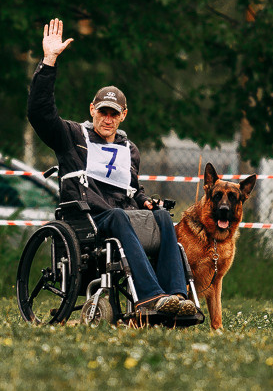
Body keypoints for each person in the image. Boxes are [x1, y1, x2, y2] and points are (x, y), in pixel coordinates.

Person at [27, 18, 199, 319]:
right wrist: (49, 61)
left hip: (122, 214)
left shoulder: (129, 149)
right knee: (120, 216)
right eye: (102, 112)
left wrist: (145, 200)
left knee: (160, 215)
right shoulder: (71, 136)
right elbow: (40, 114)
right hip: (88, 217)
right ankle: (149, 299)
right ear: (92, 110)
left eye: (113, 114)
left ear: (123, 116)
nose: (107, 119)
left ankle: (177, 297)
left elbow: (130, 189)